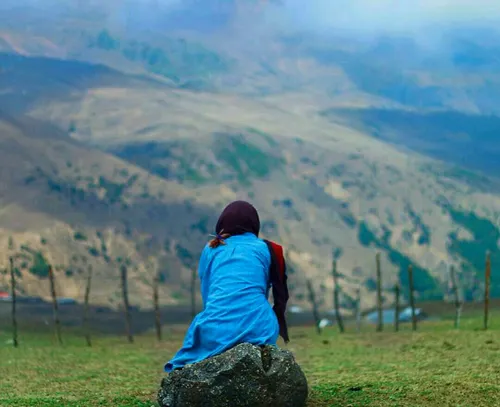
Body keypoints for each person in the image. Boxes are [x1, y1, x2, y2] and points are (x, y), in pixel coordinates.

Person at [164, 200, 289, 372]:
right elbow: (264, 290)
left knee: (199, 331)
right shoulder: (265, 249)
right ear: (254, 224)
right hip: (260, 327)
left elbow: (208, 293)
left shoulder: (210, 249)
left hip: (214, 329)